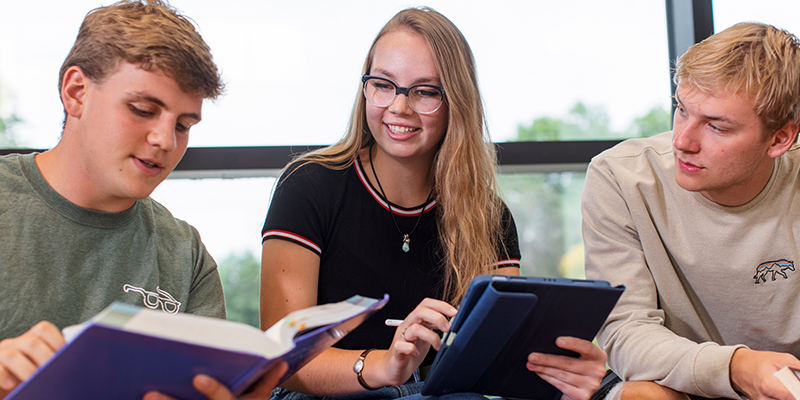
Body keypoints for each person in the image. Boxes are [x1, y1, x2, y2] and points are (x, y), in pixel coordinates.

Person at [260, 7, 607, 400]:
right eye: (383, 84)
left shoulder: (488, 216)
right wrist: (386, 365)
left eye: (425, 91)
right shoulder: (309, 185)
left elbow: (495, 363)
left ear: (456, 101)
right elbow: (282, 360)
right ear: (364, 88)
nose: (399, 107)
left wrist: (566, 380)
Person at [0, 1, 285, 399]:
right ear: (76, 92)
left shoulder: (185, 254)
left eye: (184, 125)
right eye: (143, 110)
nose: (165, 141)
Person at [582, 22, 800, 400]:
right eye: (681, 109)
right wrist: (736, 368)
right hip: (669, 380)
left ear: (780, 138)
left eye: (716, 126)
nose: (682, 141)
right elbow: (625, 333)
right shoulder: (620, 176)